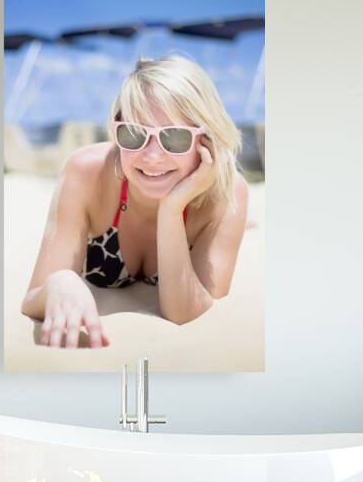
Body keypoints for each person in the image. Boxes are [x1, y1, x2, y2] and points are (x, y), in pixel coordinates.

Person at [20, 55, 249, 349]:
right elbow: (33, 298)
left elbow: (185, 313)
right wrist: (59, 282)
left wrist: (172, 208)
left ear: (207, 140)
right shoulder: (85, 171)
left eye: (175, 137)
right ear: (115, 129)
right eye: (134, 133)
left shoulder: (227, 195)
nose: (152, 156)